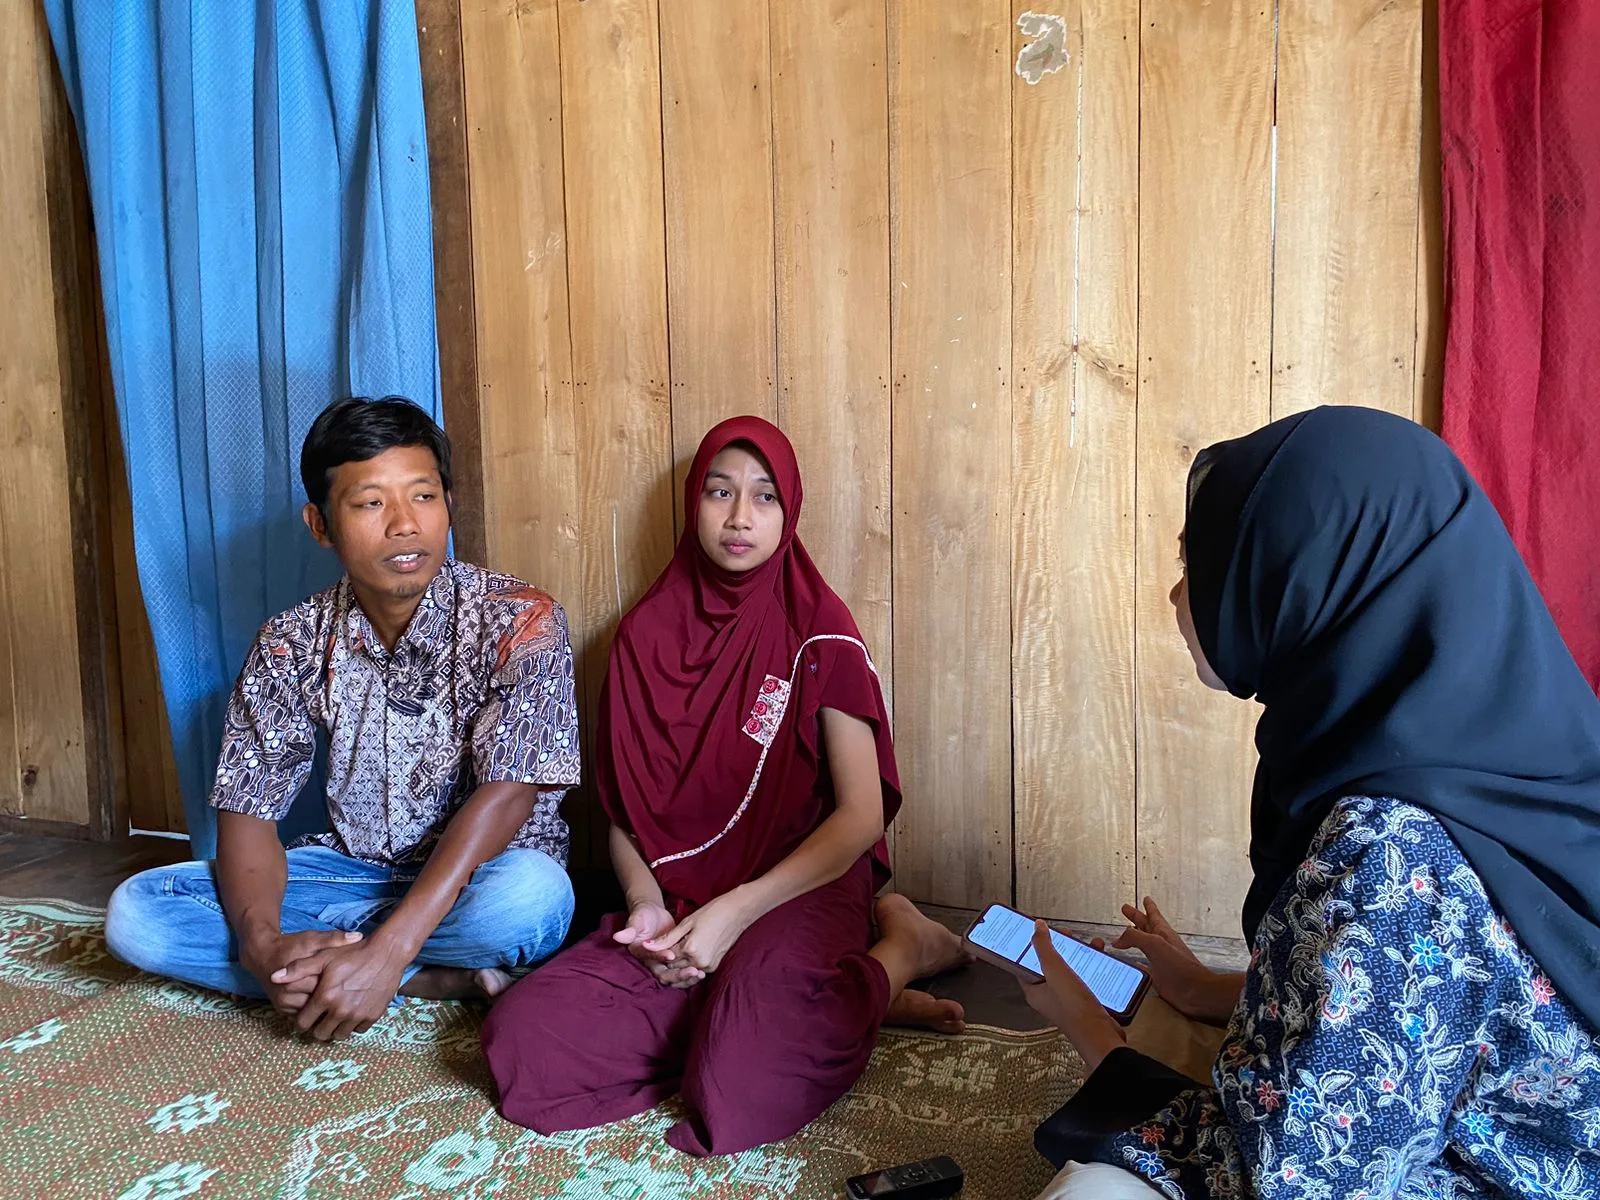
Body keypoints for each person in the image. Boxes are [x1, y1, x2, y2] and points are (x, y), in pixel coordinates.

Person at [1023, 406, 1600, 1198]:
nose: (1175, 593)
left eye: (1203, 562)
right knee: (1178, 1026)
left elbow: (1285, 1181)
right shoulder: (1510, 748)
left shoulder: (1392, 848)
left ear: (1298, 575)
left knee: (1091, 1191)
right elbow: (1430, 1004)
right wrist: (1210, 991)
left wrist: (1084, 1026)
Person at [482, 416, 969, 1157]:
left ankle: (901, 947)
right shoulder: (643, 634)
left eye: (765, 497)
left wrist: (734, 917)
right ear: (694, 503)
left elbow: (861, 816)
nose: (740, 517)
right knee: (524, 1040)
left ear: (789, 511)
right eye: (720, 492)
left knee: (740, 1083)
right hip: (676, 900)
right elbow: (622, 812)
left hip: (796, 890)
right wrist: (646, 910)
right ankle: (777, 999)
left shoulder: (820, 629)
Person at [106, 396, 580, 1042]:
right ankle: (432, 979)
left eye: (423, 496)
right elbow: (247, 813)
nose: (405, 525)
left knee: (529, 902)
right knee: (139, 914)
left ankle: (381, 964)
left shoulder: (520, 619)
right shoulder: (289, 642)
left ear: (448, 503)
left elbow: (509, 795)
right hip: (349, 875)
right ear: (320, 524)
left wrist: (387, 950)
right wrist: (264, 947)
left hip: (485, 880)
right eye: (370, 504)